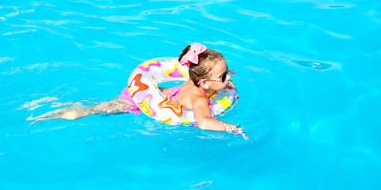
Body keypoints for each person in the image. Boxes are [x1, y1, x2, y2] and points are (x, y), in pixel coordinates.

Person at [27, 43, 248, 140]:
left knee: (102, 106)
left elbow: (171, 89)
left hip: (149, 97)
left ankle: (59, 108)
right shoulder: (201, 99)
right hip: (142, 107)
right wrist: (232, 128)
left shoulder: (193, 83)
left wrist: (157, 92)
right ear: (206, 84)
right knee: (95, 110)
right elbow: (203, 122)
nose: (230, 76)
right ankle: (72, 112)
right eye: (224, 76)